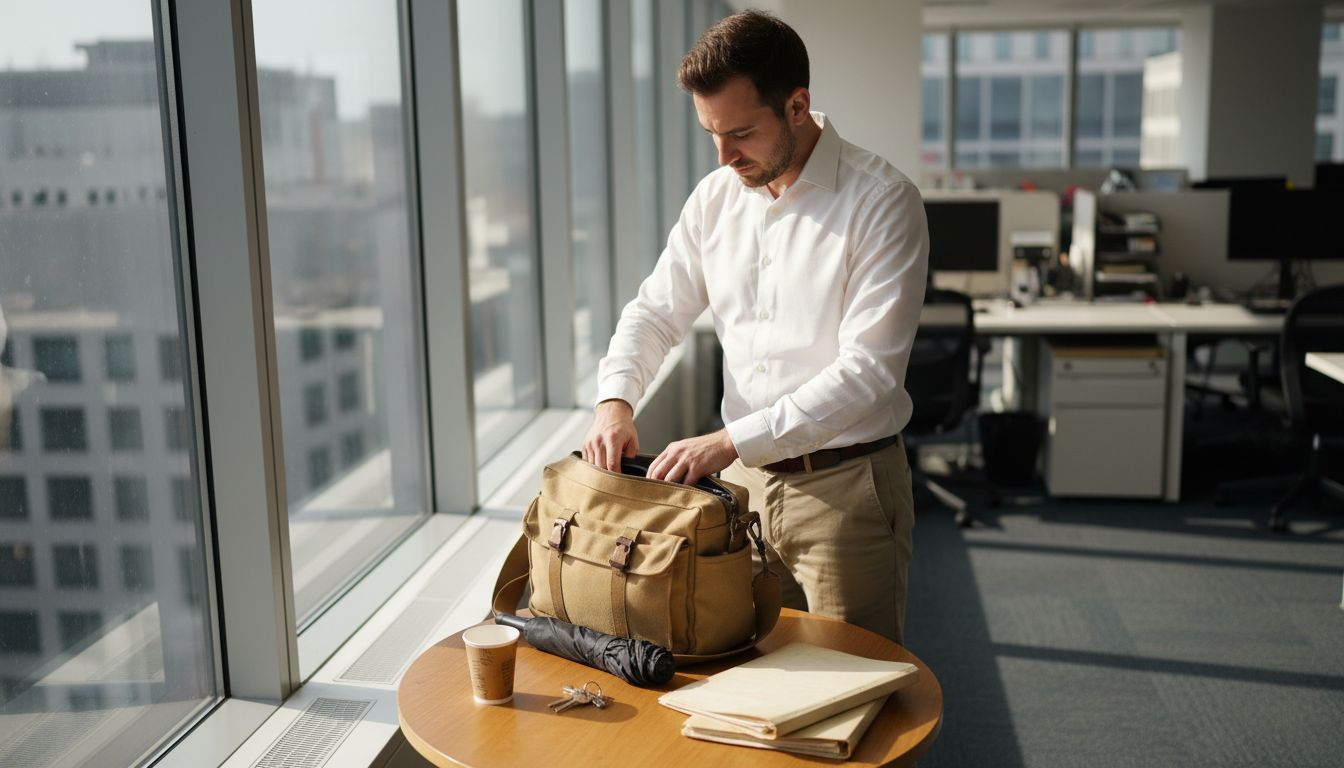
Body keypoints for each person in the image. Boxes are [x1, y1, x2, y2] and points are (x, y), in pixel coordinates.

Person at [582, 10, 928, 643]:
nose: (724, 155)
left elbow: (870, 374)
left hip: (844, 492)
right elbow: (655, 311)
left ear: (798, 106)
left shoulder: (882, 201)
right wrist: (614, 401)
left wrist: (726, 441)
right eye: (711, 133)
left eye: (740, 131)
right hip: (738, 490)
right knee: (741, 668)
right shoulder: (716, 198)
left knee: (847, 691)